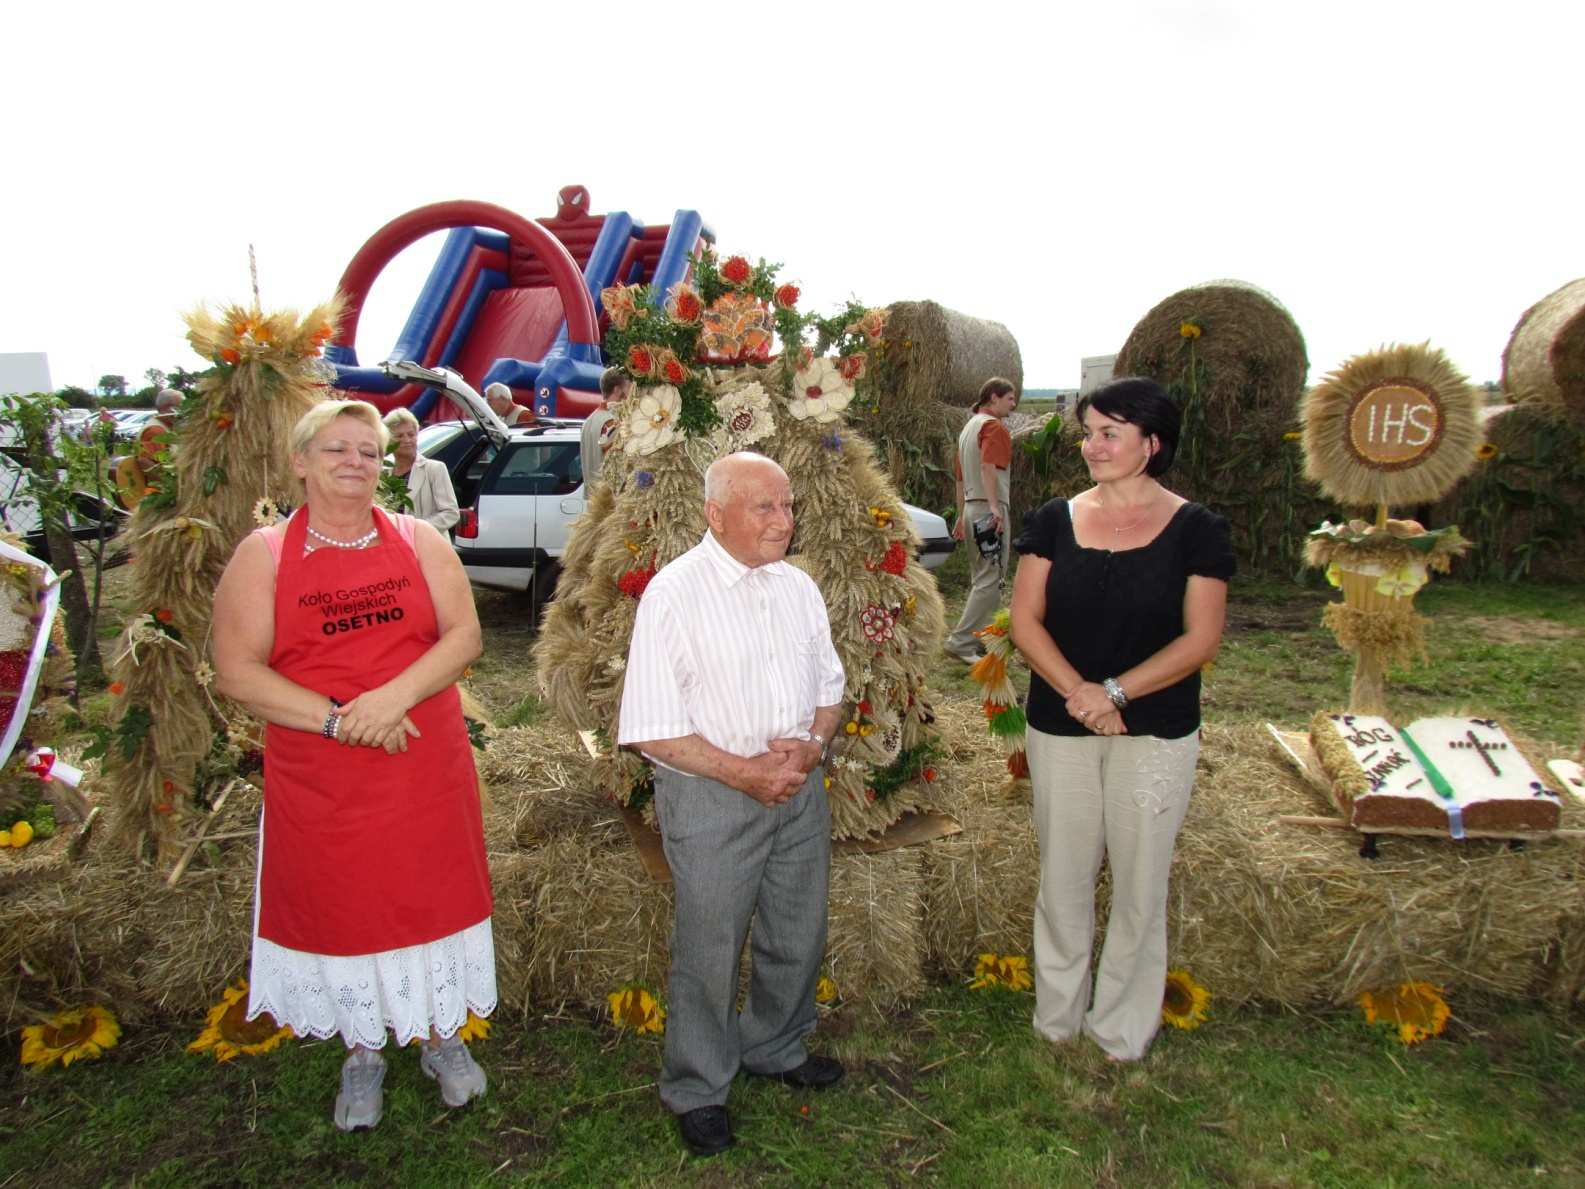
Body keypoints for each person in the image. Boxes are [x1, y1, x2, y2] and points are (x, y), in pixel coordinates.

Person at [212, 399, 495, 1131]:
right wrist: (341, 719)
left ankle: (440, 1035)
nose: (355, 461)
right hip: (322, 773)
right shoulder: (265, 554)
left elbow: (463, 637)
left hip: (421, 764)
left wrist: (389, 697)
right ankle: (363, 1048)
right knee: (345, 906)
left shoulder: (418, 540)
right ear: (300, 461)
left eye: (368, 451)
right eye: (336, 448)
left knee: (429, 897)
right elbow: (238, 671)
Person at [617, 451, 846, 1158]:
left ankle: (776, 1046)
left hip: (796, 785)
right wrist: (745, 773)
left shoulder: (797, 586)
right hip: (713, 793)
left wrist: (809, 745)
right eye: (765, 507)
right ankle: (696, 1086)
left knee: (796, 929)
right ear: (715, 515)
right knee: (710, 948)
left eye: (787, 505)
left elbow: (830, 686)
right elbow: (651, 727)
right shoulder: (674, 594)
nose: (784, 520)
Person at [1009, 376, 1233, 1063]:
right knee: (1064, 874)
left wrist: (1114, 694)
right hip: (1059, 722)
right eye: (1087, 432)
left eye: (1109, 432)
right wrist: (1079, 691)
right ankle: (1056, 1019)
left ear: (1151, 442)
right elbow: (1023, 620)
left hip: (1155, 730)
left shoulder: (1198, 529)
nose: (1091, 445)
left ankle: (1120, 1028)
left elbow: (1199, 641)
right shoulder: (1053, 518)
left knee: (1139, 881)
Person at [944, 377, 1019, 662]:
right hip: (989, 510)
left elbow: (960, 478)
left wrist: (962, 514)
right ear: (993, 398)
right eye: (1010, 398)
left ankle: (980, 638)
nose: (1013, 404)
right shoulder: (992, 427)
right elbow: (988, 467)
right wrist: (994, 507)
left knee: (982, 578)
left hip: (973, 509)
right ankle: (960, 642)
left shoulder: (967, 430)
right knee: (991, 577)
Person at [383, 407, 460, 532]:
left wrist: (415, 529)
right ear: (388, 440)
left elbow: (451, 513)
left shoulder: (435, 469)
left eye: (411, 434)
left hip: (426, 544)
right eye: (399, 436)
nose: (407, 440)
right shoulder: (381, 471)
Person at [580, 366, 630, 490]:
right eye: (629, 388)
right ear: (618, 390)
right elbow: (619, 469)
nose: (632, 393)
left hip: (594, 501)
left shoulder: (589, 420)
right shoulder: (614, 422)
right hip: (611, 502)